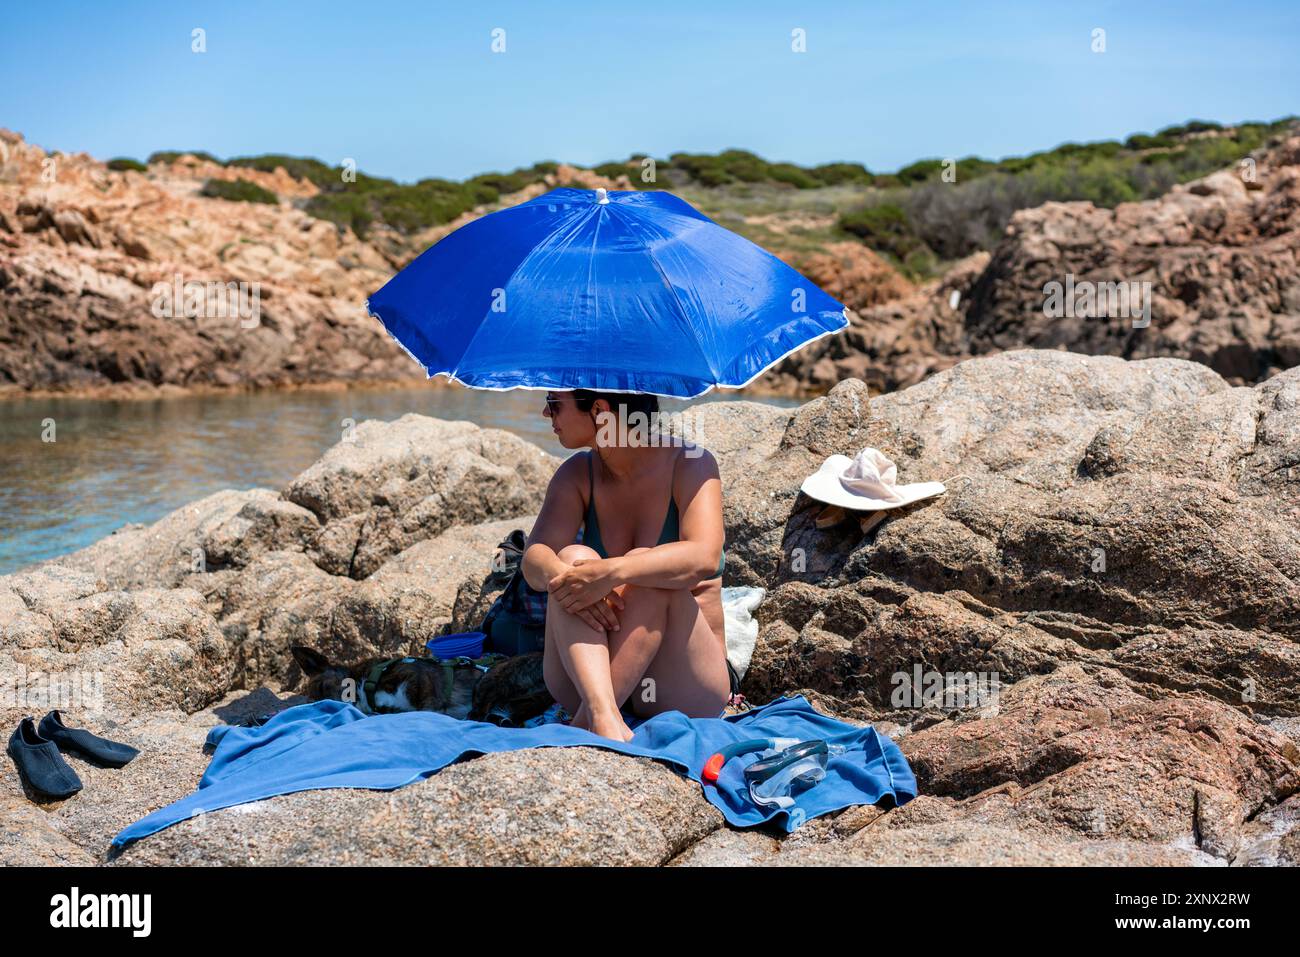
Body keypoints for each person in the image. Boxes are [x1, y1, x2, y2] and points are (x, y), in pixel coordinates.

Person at [522, 389, 729, 741]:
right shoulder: (577, 473)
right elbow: (532, 560)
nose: (545, 413)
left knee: (645, 569)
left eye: (555, 404)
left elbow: (703, 556)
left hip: (679, 684)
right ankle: (602, 714)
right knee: (571, 560)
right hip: (588, 678)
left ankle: (592, 720)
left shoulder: (691, 463)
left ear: (601, 411)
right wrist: (568, 576)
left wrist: (612, 573)